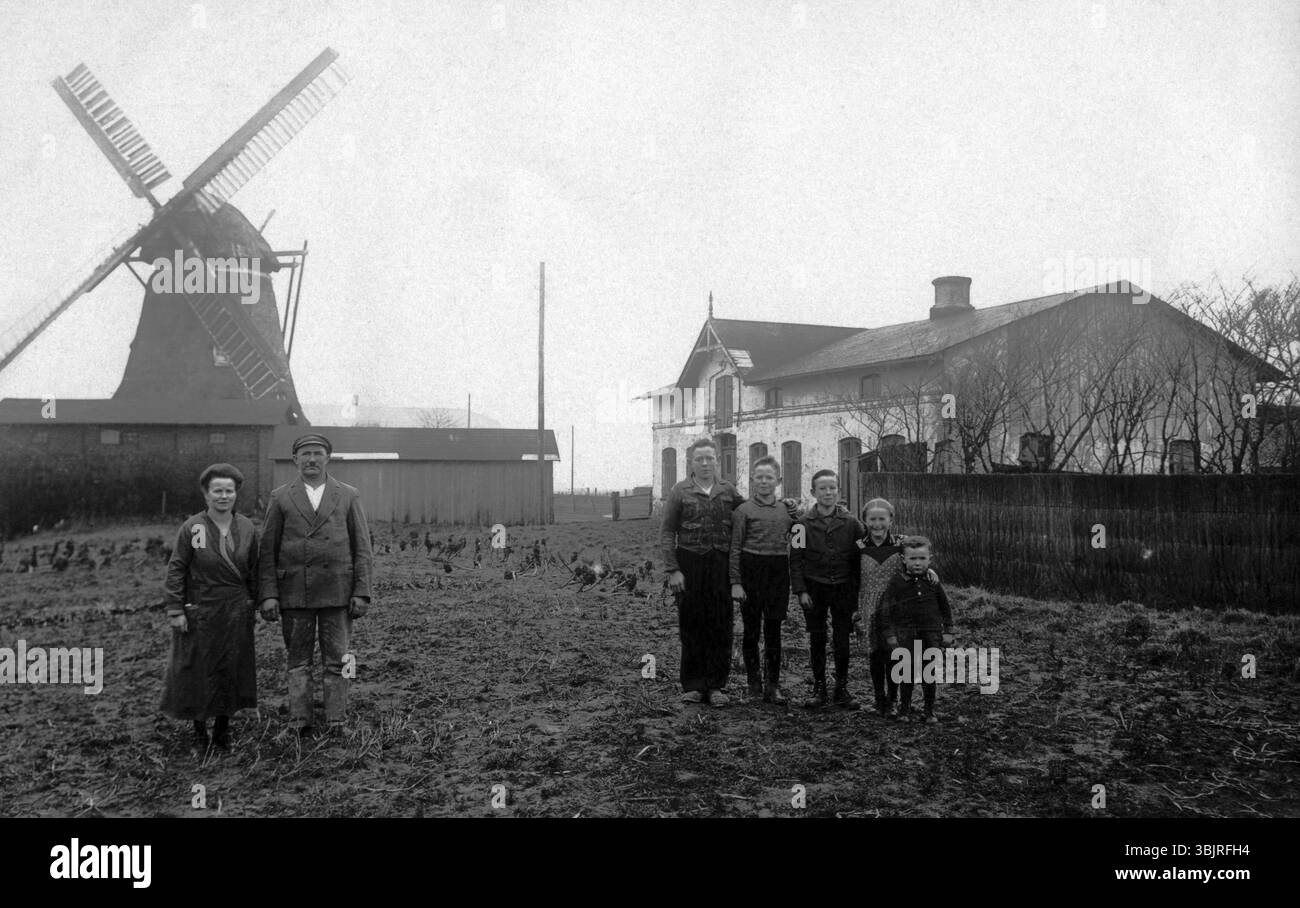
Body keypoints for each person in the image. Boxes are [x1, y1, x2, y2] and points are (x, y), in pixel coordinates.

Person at [258, 434, 373, 735]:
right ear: (295, 459)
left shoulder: (348, 495)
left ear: (328, 458)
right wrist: (268, 594)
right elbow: (267, 551)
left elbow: (362, 547)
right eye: (305, 454)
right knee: (298, 662)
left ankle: (337, 721)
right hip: (294, 593)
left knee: (339, 660)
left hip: (337, 592)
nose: (311, 459)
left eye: (317, 453)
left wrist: (361, 591)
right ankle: (300, 721)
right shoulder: (280, 497)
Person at [160, 463, 260, 752]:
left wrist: (258, 601)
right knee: (198, 670)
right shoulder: (193, 527)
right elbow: (176, 568)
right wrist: (176, 610)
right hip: (201, 610)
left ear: (236, 494)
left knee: (231, 667)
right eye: (217, 491)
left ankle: (223, 730)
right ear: (206, 494)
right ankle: (200, 731)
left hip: (235, 610)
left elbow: (254, 569)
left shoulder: (246, 527)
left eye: (229, 491)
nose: (223, 496)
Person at [661, 437, 743, 706]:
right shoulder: (679, 491)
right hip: (690, 564)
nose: (705, 463)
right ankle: (694, 685)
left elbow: (750, 513)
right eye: (700, 459)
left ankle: (717, 685)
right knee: (692, 624)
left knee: (720, 624)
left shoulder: (728, 490)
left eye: (710, 458)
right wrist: (673, 569)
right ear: (691, 462)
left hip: (720, 564)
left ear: (716, 460)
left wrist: (784, 508)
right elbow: (667, 532)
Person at [856, 498, 939, 717]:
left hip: (896, 607)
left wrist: (930, 572)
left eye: (882, 519)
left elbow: (917, 559)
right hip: (868, 606)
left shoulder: (900, 543)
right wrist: (853, 610)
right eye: (872, 519)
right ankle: (879, 699)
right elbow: (851, 578)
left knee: (894, 654)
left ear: (891, 520)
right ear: (864, 520)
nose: (877, 524)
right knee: (874, 654)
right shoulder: (859, 546)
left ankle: (893, 700)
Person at [790, 469, 864, 710]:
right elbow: (795, 560)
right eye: (822, 488)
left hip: (843, 589)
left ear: (839, 491)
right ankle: (819, 687)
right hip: (814, 589)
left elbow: (865, 553)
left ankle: (841, 688)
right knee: (817, 637)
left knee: (842, 638)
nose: (828, 492)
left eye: (832, 487)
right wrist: (801, 590)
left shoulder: (853, 524)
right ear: (813, 492)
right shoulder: (800, 525)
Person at [729, 455, 796, 704]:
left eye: (769, 477)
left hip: (778, 571)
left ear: (778, 481)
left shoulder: (787, 511)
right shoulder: (743, 511)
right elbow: (735, 548)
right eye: (760, 477)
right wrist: (736, 582)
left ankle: (773, 686)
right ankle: (753, 685)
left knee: (774, 630)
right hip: (751, 570)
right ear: (752, 480)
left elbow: (800, 537)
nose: (764, 481)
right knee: (751, 631)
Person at [881, 536, 954, 724]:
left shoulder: (932, 581)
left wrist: (948, 632)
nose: (917, 563)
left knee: (928, 673)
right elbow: (886, 610)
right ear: (903, 559)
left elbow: (945, 607)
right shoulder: (896, 582)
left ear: (930, 558)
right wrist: (890, 635)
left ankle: (929, 710)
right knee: (906, 672)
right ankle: (905, 708)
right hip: (905, 634)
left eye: (922, 558)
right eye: (912, 559)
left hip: (930, 633)